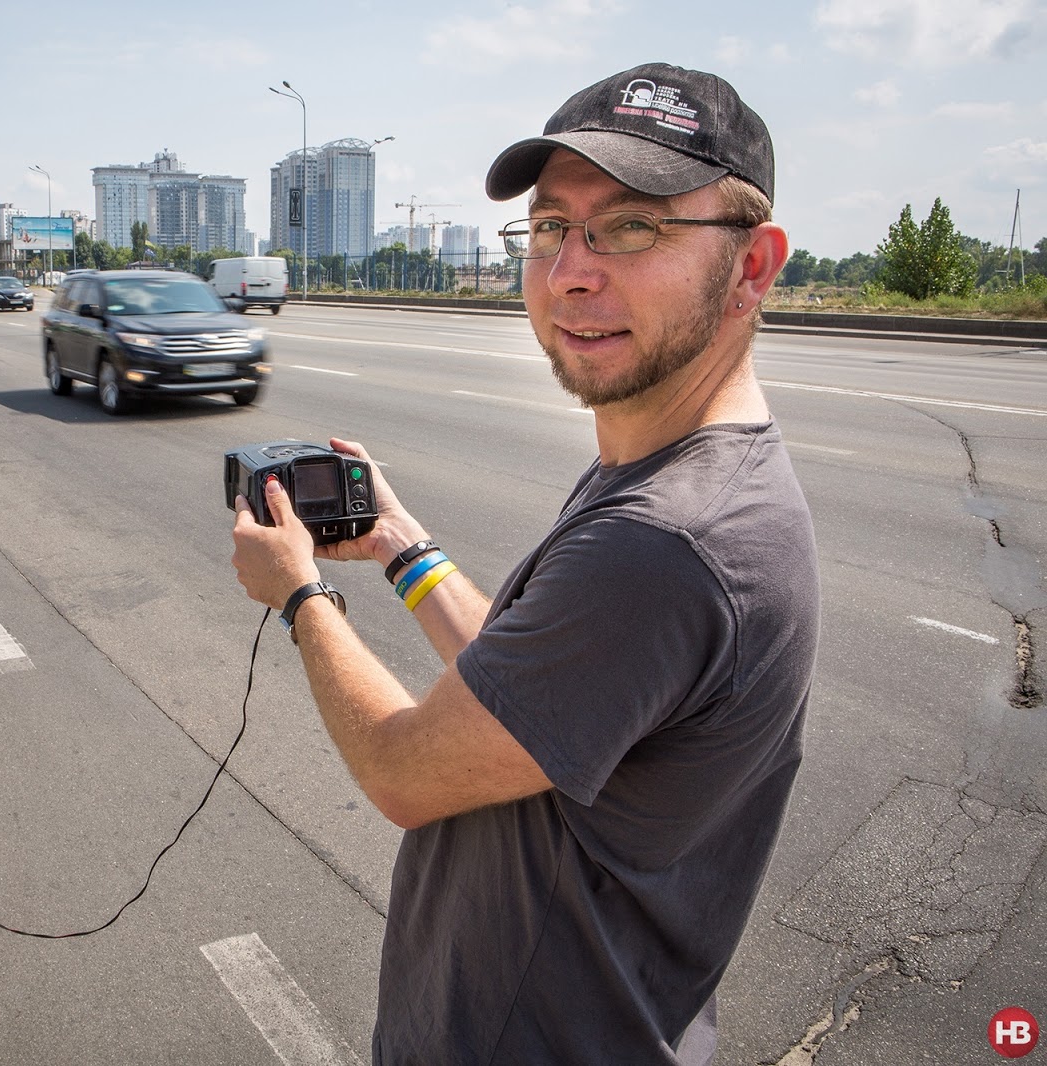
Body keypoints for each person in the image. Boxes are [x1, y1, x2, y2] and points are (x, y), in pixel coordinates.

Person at [231, 62, 819, 1065]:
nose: (569, 272)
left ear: (752, 266)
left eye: (632, 226)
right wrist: (399, 544)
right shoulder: (670, 471)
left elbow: (406, 770)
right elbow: (529, 697)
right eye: (550, 228)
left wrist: (299, 591)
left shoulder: (663, 540)